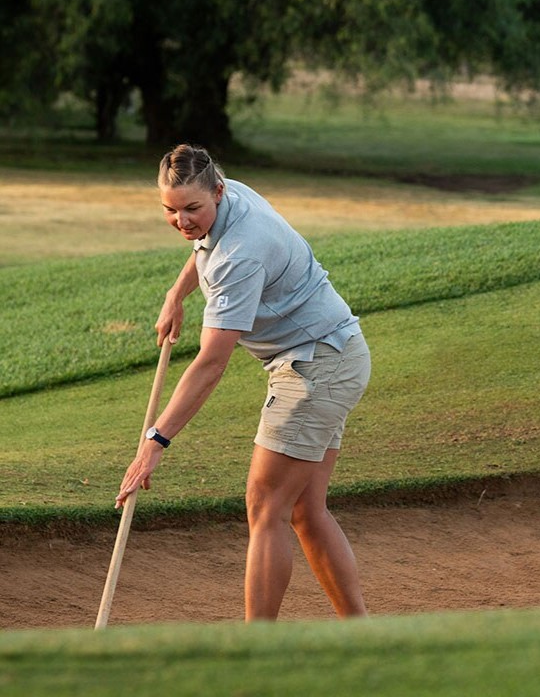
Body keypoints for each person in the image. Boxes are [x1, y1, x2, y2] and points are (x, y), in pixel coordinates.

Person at [115, 143, 372, 621]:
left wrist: (155, 442)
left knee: (265, 507)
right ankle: (361, 632)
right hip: (337, 353)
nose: (182, 221)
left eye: (192, 208)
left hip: (316, 365)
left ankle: (254, 648)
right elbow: (201, 248)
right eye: (169, 210)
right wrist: (177, 294)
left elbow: (212, 362)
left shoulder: (240, 255)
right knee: (304, 510)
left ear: (217, 190)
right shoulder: (232, 199)